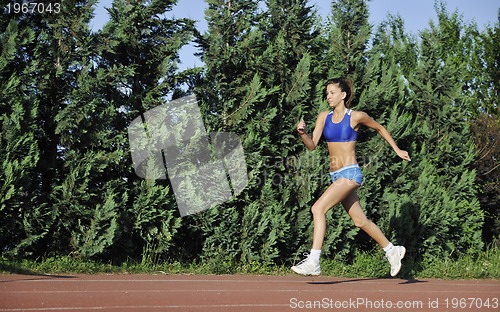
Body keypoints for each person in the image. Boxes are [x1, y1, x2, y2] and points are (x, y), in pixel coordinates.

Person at [292, 77, 411, 277]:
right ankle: (393, 250)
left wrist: (397, 150)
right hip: (335, 175)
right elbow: (312, 145)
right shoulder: (324, 117)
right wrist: (302, 133)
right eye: (327, 92)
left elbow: (379, 128)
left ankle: (314, 260)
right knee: (360, 221)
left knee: (317, 208)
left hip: (350, 173)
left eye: (332, 92)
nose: (328, 96)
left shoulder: (355, 116)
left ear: (343, 95)